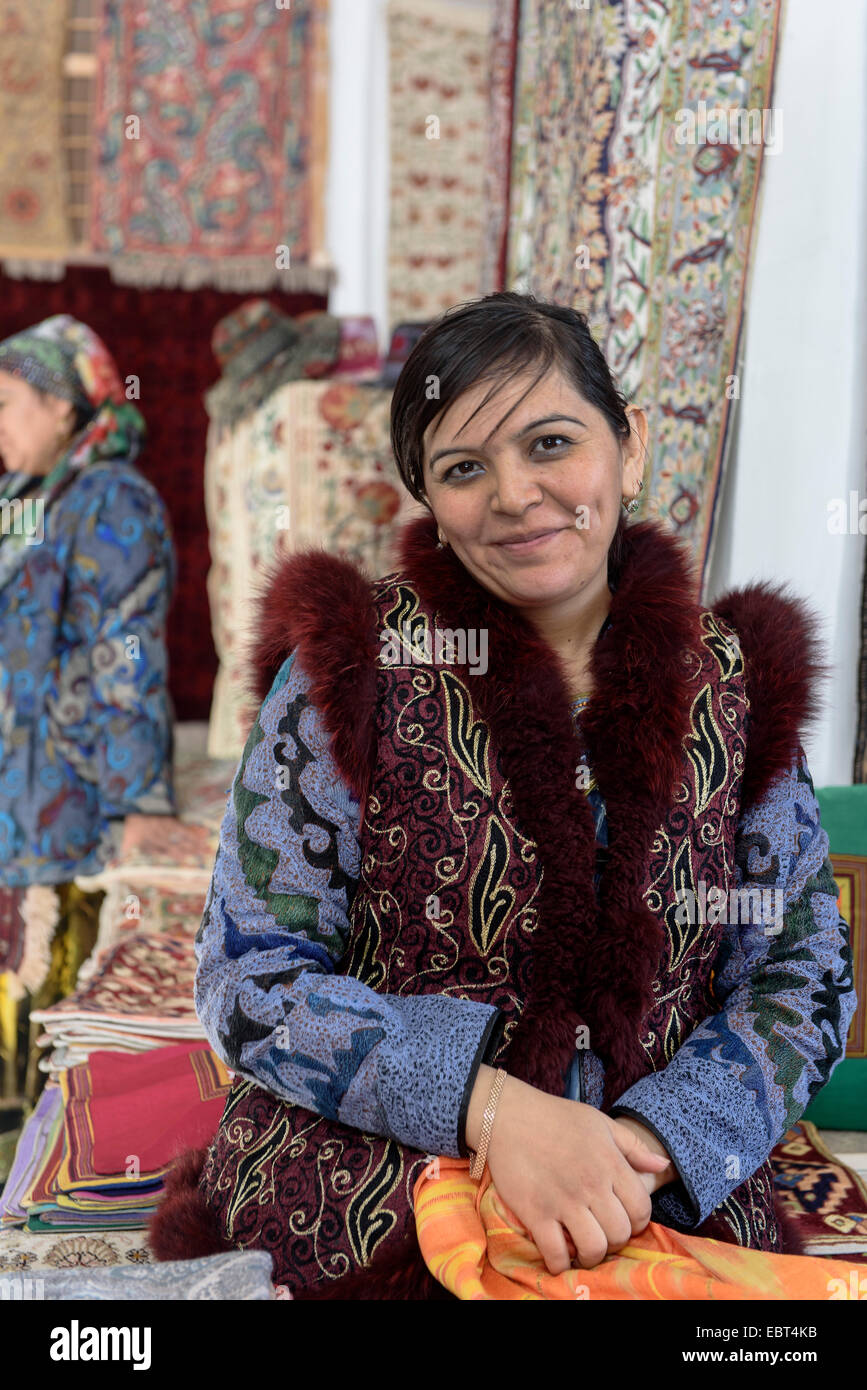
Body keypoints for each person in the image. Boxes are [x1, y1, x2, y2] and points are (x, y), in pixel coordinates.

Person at [152, 292, 856, 1298]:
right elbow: (251, 974)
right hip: (368, 1200)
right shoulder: (351, 670)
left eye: (551, 442)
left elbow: (800, 972)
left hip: (658, 1196)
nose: (516, 493)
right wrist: (495, 1112)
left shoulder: (733, 683)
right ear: (428, 500)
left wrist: (646, 1146)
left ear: (633, 443)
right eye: (464, 468)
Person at [0, 314, 185, 1103]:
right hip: (20, 786)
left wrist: (136, 798)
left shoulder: (112, 501)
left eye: (7, 403)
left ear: (65, 408)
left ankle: (33, 1148)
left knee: (53, 980)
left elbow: (126, 654)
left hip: (72, 799)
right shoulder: (27, 496)